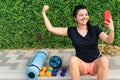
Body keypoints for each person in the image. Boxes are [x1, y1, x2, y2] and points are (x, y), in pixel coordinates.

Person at [42, 5, 114, 80]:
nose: (84, 17)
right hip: (82, 66)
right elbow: (51, 29)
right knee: (72, 60)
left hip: (95, 65)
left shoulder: (95, 29)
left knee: (104, 60)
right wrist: (44, 13)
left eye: (86, 14)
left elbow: (109, 40)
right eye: (81, 15)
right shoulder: (71, 31)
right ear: (75, 18)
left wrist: (112, 29)